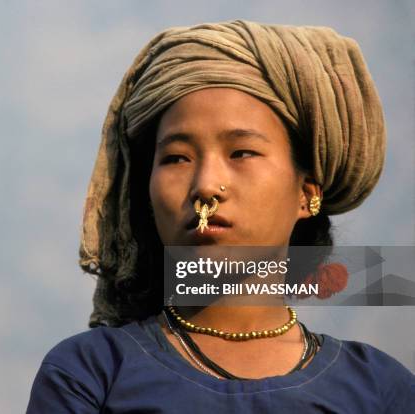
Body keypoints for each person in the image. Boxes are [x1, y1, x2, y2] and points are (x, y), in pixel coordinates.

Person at [26, 20, 414, 413]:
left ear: (307, 194)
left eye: (241, 152)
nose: (206, 187)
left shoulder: (381, 390)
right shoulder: (90, 375)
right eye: (176, 158)